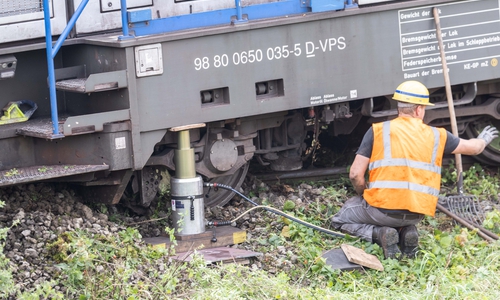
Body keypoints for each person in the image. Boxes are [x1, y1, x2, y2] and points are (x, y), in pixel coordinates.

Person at [330, 80, 499, 259]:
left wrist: (363, 193)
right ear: (419, 109)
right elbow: (474, 148)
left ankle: (379, 234)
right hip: (417, 213)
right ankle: (407, 231)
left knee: (340, 219)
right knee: (400, 218)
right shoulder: (437, 135)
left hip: (382, 210)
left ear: (399, 107)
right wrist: (484, 139)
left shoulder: (378, 131)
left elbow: (355, 174)